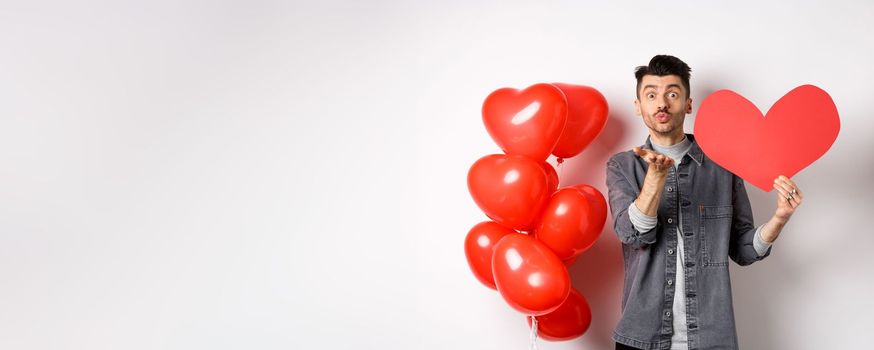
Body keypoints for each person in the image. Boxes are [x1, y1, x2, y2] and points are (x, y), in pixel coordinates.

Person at [606, 55, 803, 350]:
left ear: (688, 104)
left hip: (711, 337)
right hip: (642, 337)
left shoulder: (723, 164)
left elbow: (744, 249)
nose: (661, 103)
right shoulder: (622, 166)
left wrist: (780, 218)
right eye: (651, 95)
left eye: (672, 94)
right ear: (638, 106)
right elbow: (633, 234)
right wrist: (655, 179)